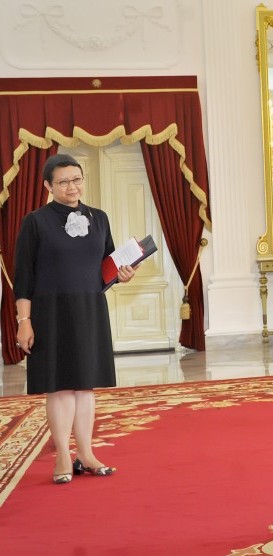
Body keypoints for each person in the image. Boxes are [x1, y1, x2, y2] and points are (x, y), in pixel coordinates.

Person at [14, 153, 137, 484]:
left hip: (89, 308)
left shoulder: (99, 218)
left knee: (85, 387)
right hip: (49, 311)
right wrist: (23, 321)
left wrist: (121, 274)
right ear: (48, 186)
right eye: (64, 181)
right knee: (59, 388)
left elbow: (105, 267)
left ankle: (86, 453)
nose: (72, 186)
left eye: (77, 179)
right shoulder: (35, 221)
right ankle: (64, 459)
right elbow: (23, 277)